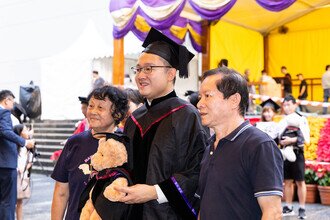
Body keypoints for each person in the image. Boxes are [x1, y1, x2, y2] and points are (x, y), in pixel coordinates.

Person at [116, 28, 208, 220]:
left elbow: (196, 170)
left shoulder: (187, 116)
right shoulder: (135, 118)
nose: (141, 75)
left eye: (149, 68)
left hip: (167, 215)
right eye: (138, 69)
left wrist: (153, 192)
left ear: (171, 74)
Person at [196, 67, 283, 220]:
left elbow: (273, 213)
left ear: (234, 100)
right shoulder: (210, 146)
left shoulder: (259, 145)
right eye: (200, 96)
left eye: (207, 96)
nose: (199, 104)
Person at [51, 86, 129, 220]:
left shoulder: (125, 144)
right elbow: (61, 192)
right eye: (91, 106)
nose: (92, 111)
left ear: (116, 113)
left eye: (100, 108)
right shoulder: (74, 143)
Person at [0, 90, 35, 220]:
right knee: (8, 201)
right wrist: (24, 142)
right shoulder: (4, 112)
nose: (13, 105)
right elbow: (5, 131)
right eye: (12, 102)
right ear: (6, 100)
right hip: (5, 162)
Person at [278, 95, 310, 219]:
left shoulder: (301, 119)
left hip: (297, 153)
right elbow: (278, 136)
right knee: (287, 182)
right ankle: (289, 206)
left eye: (289, 104)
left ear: (295, 105)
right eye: (284, 105)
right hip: (285, 154)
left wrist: (292, 140)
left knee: (300, 182)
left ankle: (302, 208)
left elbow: (306, 138)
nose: (286, 107)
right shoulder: (282, 121)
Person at [13, 124, 34, 220]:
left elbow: (30, 161)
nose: (28, 132)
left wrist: (25, 168)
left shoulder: (28, 146)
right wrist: (17, 168)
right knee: (11, 202)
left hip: (23, 176)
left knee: (20, 202)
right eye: (26, 130)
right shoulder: (13, 146)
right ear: (20, 133)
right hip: (14, 175)